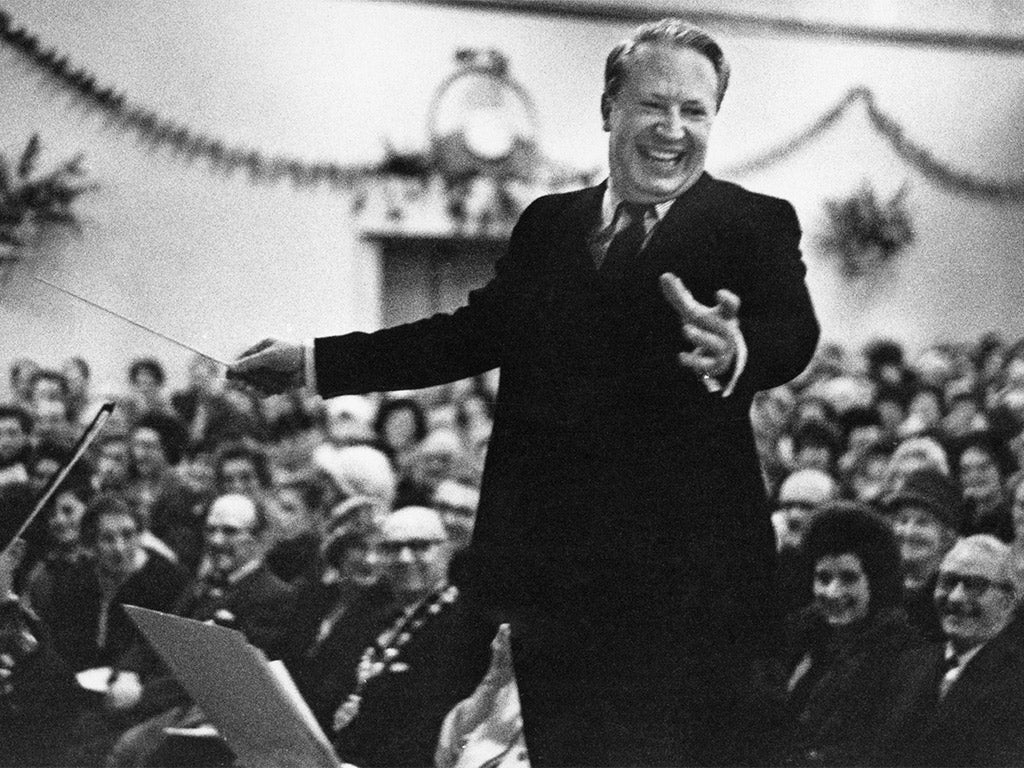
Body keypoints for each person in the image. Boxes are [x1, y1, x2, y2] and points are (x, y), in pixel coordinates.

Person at [230, 17, 819, 766]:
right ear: (609, 108)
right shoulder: (550, 225)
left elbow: (792, 330)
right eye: (653, 105)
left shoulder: (752, 223)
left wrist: (740, 351)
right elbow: (462, 338)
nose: (673, 129)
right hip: (553, 595)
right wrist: (314, 363)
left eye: (695, 111)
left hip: (688, 600)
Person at [774, 502, 921, 767]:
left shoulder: (898, 654)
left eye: (849, 578)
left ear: (875, 583)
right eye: (823, 578)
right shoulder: (800, 636)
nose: (832, 592)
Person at [880, 535, 1024, 766]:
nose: (956, 597)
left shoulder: (1017, 681)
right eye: (947, 582)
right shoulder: (909, 664)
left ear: (1008, 600)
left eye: (975, 585)